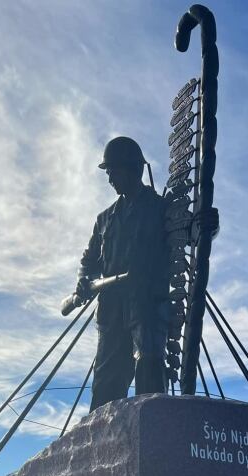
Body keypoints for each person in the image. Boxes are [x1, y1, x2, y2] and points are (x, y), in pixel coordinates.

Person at [73, 136, 170, 410]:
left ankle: (153, 442)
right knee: (105, 386)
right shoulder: (104, 219)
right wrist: (83, 278)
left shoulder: (160, 207)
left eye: (112, 172)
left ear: (131, 169)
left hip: (147, 307)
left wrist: (209, 226)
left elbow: (191, 233)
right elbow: (89, 260)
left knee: (149, 377)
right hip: (111, 312)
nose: (109, 179)